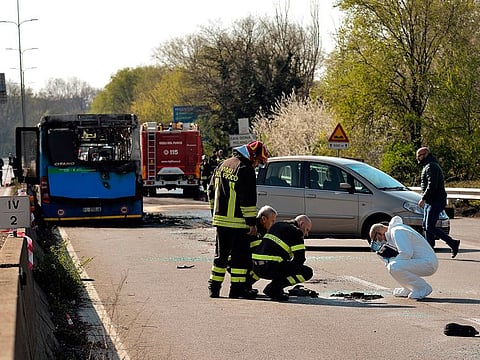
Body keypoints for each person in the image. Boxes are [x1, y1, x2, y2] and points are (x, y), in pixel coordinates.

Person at [207, 141, 269, 299]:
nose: (257, 165)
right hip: (238, 223)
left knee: (221, 256)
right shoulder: (245, 169)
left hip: (221, 221)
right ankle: (237, 290)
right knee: (239, 258)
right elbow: (247, 200)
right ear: (252, 156)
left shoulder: (223, 164)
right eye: (258, 162)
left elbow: (210, 191)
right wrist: (251, 224)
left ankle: (214, 288)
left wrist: (214, 213)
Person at [369, 216, 438, 300]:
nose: (379, 241)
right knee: (391, 264)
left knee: (393, 266)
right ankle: (409, 288)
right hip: (422, 261)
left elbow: (406, 253)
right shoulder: (395, 231)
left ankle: (422, 288)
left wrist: (393, 262)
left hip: (427, 263)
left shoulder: (397, 231)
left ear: (380, 232)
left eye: (377, 239)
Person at [252, 214, 313, 301]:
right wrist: (287, 272)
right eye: (307, 230)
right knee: (307, 272)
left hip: (255, 267)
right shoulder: (296, 232)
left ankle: (245, 287)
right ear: (301, 224)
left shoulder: (277, 225)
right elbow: (300, 259)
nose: (306, 234)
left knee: (276, 264)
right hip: (270, 267)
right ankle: (274, 289)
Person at [416, 147, 460, 257]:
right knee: (426, 226)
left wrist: (424, 198)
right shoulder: (428, 165)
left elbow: (432, 185)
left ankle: (453, 243)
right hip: (431, 201)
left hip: (435, 201)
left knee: (429, 226)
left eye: (419, 156)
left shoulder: (431, 166)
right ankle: (429, 249)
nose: (418, 159)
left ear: (425, 154)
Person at [246, 205, 278, 291]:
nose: (273, 224)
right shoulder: (256, 230)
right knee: (260, 267)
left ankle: (245, 286)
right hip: (238, 261)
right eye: (272, 221)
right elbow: (258, 250)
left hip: (242, 260)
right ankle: (245, 286)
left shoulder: (261, 229)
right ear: (264, 219)